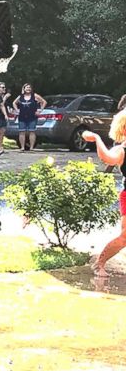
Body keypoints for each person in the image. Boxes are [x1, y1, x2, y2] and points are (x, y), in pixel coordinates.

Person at [83, 113, 126, 277]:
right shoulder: (121, 150)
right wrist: (96, 138)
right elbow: (107, 158)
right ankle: (99, 263)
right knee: (124, 237)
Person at [15, 83, 47, 151]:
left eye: (29, 87)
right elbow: (14, 103)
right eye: (27, 87)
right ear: (24, 89)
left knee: (32, 131)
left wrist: (40, 110)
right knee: (22, 132)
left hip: (32, 116)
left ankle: (32, 147)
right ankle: (22, 147)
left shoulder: (34, 95)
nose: (28, 89)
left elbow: (44, 102)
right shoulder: (21, 96)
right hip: (22, 116)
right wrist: (17, 110)